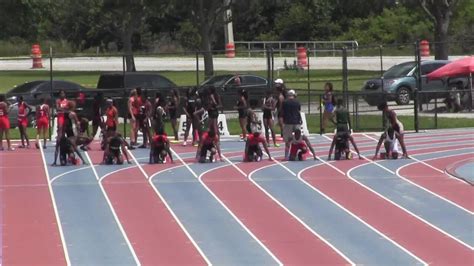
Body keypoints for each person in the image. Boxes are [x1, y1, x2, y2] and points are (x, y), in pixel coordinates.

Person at [281, 89, 302, 160]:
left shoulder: (285, 102)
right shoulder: (297, 102)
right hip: (296, 121)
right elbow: (299, 111)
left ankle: (286, 156)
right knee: (297, 139)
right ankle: (298, 154)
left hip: (288, 122)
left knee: (287, 141)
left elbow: (283, 112)